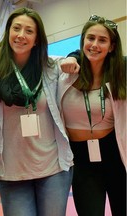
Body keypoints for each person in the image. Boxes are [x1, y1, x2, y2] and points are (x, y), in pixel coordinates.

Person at [0, 7, 73, 216]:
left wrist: (74, 58)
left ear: (37, 39)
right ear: (8, 33)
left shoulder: (51, 69)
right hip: (12, 172)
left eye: (29, 31)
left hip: (53, 168)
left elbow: (78, 63)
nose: (21, 35)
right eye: (16, 28)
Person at [58, 15, 126, 216]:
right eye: (90, 38)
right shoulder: (66, 73)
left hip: (115, 155)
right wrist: (73, 56)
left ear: (112, 47)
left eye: (102, 40)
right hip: (81, 160)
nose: (95, 45)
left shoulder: (121, 75)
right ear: (82, 41)